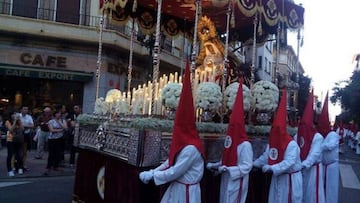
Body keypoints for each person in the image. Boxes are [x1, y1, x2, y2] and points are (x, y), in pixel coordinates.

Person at [139, 61, 204, 203]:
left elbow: (175, 171)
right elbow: (170, 162)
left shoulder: (192, 148)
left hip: (186, 193)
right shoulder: (184, 143)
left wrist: (153, 176)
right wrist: (153, 171)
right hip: (177, 188)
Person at [206, 78, 253, 203]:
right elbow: (226, 158)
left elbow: (247, 166)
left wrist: (229, 170)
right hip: (227, 179)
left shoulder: (245, 145)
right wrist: (216, 165)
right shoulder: (230, 140)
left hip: (237, 181)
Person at [253, 90, 303, 203]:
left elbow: (289, 162)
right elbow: (266, 155)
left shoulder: (291, 145)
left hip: (290, 180)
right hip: (277, 178)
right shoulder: (273, 142)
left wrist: (272, 168)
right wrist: (255, 164)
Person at [294, 90, 325, 203]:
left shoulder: (317, 137)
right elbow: (295, 149)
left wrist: (303, 165)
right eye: (301, 125)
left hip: (312, 169)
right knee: (302, 193)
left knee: (312, 194)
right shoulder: (298, 134)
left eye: (304, 125)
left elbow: (314, 155)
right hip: (301, 168)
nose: (302, 127)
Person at [316, 92, 339, 203]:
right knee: (322, 189)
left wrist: (318, 146)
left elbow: (330, 146)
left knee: (331, 189)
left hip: (331, 166)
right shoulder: (321, 136)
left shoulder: (333, 135)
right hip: (323, 166)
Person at [44, 106, 68, 175]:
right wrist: (60, 130)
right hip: (52, 139)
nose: (59, 115)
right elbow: (52, 130)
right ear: (54, 115)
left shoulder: (63, 121)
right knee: (51, 154)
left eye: (60, 114)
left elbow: (65, 128)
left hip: (59, 139)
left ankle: (56, 166)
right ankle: (48, 167)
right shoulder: (51, 121)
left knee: (58, 153)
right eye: (57, 113)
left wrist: (59, 122)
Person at [5, 112, 24, 177]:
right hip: (10, 140)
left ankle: (19, 168)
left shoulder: (19, 122)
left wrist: (19, 120)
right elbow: (11, 130)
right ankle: (9, 170)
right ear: (11, 115)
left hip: (18, 141)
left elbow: (22, 129)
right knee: (10, 155)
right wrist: (15, 121)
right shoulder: (8, 122)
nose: (15, 115)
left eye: (16, 114)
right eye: (14, 114)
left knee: (19, 155)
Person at [19, 106, 34, 171]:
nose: (26, 110)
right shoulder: (18, 116)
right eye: (24, 109)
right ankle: (16, 165)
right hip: (18, 135)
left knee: (24, 151)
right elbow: (17, 125)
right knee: (18, 151)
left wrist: (24, 126)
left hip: (26, 135)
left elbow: (32, 125)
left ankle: (24, 165)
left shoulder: (29, 117)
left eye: (27, 109)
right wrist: (26, 126)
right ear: (21, 110)